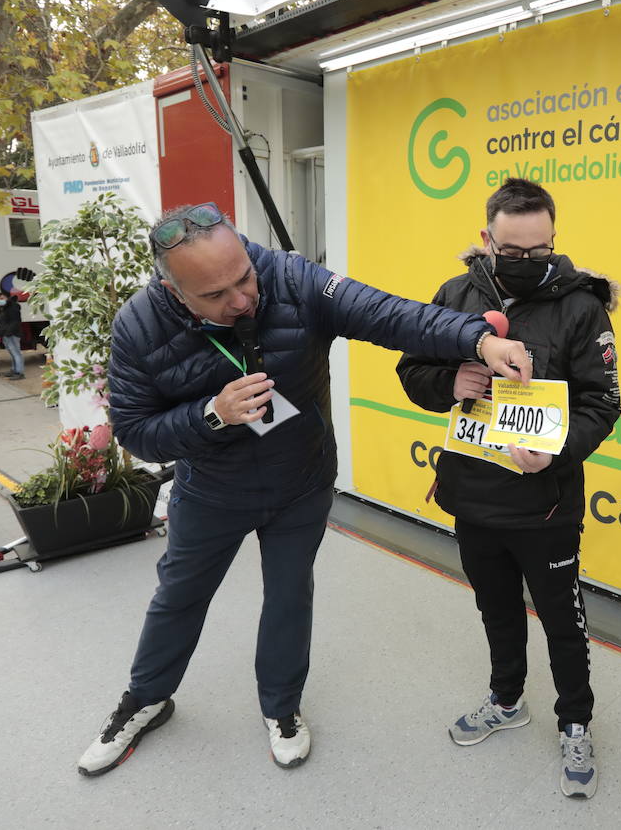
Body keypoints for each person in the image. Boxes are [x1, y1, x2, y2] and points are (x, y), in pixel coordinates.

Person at [77, 202, 531, 778]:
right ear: (173, 289)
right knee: (180, 595)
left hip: (301, 480)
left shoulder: (290, 278)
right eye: (216, 295)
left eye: (243, 276)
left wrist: (475, 340)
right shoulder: (139, 326)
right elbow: (137, 433)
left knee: (290, 595)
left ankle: (282, 708)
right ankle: (144, 700)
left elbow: (387, 314)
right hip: (211, 489)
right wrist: (212, 415)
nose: (241, 299)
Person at [396, 178, 621, 799]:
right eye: (511, 251)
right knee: (495, 608)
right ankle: (506, 699)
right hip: (470, 495)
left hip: (546, 504)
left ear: (554, 239)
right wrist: (453, 382)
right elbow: (411, 371)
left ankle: (575, 721)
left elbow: (604, 403)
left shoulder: (582, 306)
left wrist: (556, 450)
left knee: (561, 620)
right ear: (485, 238)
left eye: (539, 250)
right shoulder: (453, 294)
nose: (526, 262)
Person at [0, 290, 24, 379]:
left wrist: (8, 333)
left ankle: (19, 372)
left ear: (7, 298)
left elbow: (15, 322)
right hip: (6, 334)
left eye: (1, 298)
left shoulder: (13, 307)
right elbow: (2, 322)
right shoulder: (3, 307)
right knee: (12, 353)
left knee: (16, 353)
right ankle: (14, 369)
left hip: (12, 334)